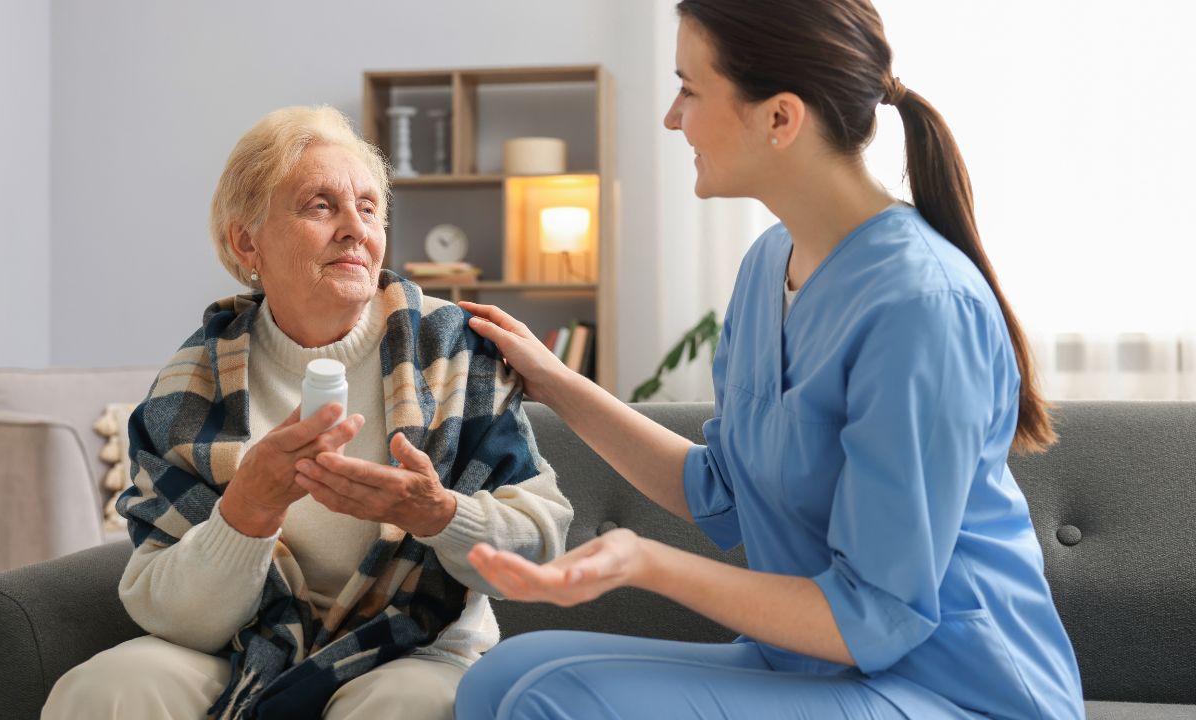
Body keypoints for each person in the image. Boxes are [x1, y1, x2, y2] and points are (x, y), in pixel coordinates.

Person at [453, 1, 1085, 718]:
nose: (671, 117)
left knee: (552, 703)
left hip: (956, 689)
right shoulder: (768, 267)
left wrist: (647, 562)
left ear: (780, 118)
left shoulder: (920, 305)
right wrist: (554, 381)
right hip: (817, 664)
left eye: (689, 89)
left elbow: (876, 616)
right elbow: (721, 490)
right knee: (499, 676)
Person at [40, 105, 572, 720]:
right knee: (107, 688)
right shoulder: (192, 384)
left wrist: (438, 514)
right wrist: (248, 510)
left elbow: (542, 545)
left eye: (369, 208)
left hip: (415, 651)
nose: (355, 229)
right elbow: (171, 613)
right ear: (248, 241)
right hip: (243, 647)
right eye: (321, 206)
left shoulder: (453, 354)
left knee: (410, 707)